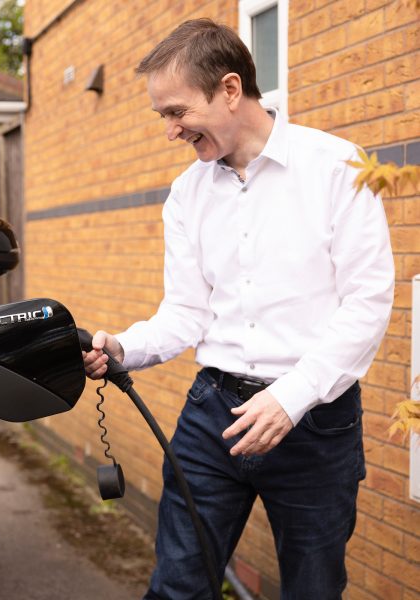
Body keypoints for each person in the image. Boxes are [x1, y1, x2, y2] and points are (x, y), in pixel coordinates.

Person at [82, 18, 394, 600]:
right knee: (177, 587)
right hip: (213, 414)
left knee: (313, 590)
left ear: (230, 89)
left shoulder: (336, 167)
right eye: (163, 118)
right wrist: (124, 347)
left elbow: (368, 303)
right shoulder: (187, 195)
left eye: (176, 112)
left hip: (316, 422)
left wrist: (291, 396)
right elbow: (185, 313)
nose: (171, 131)